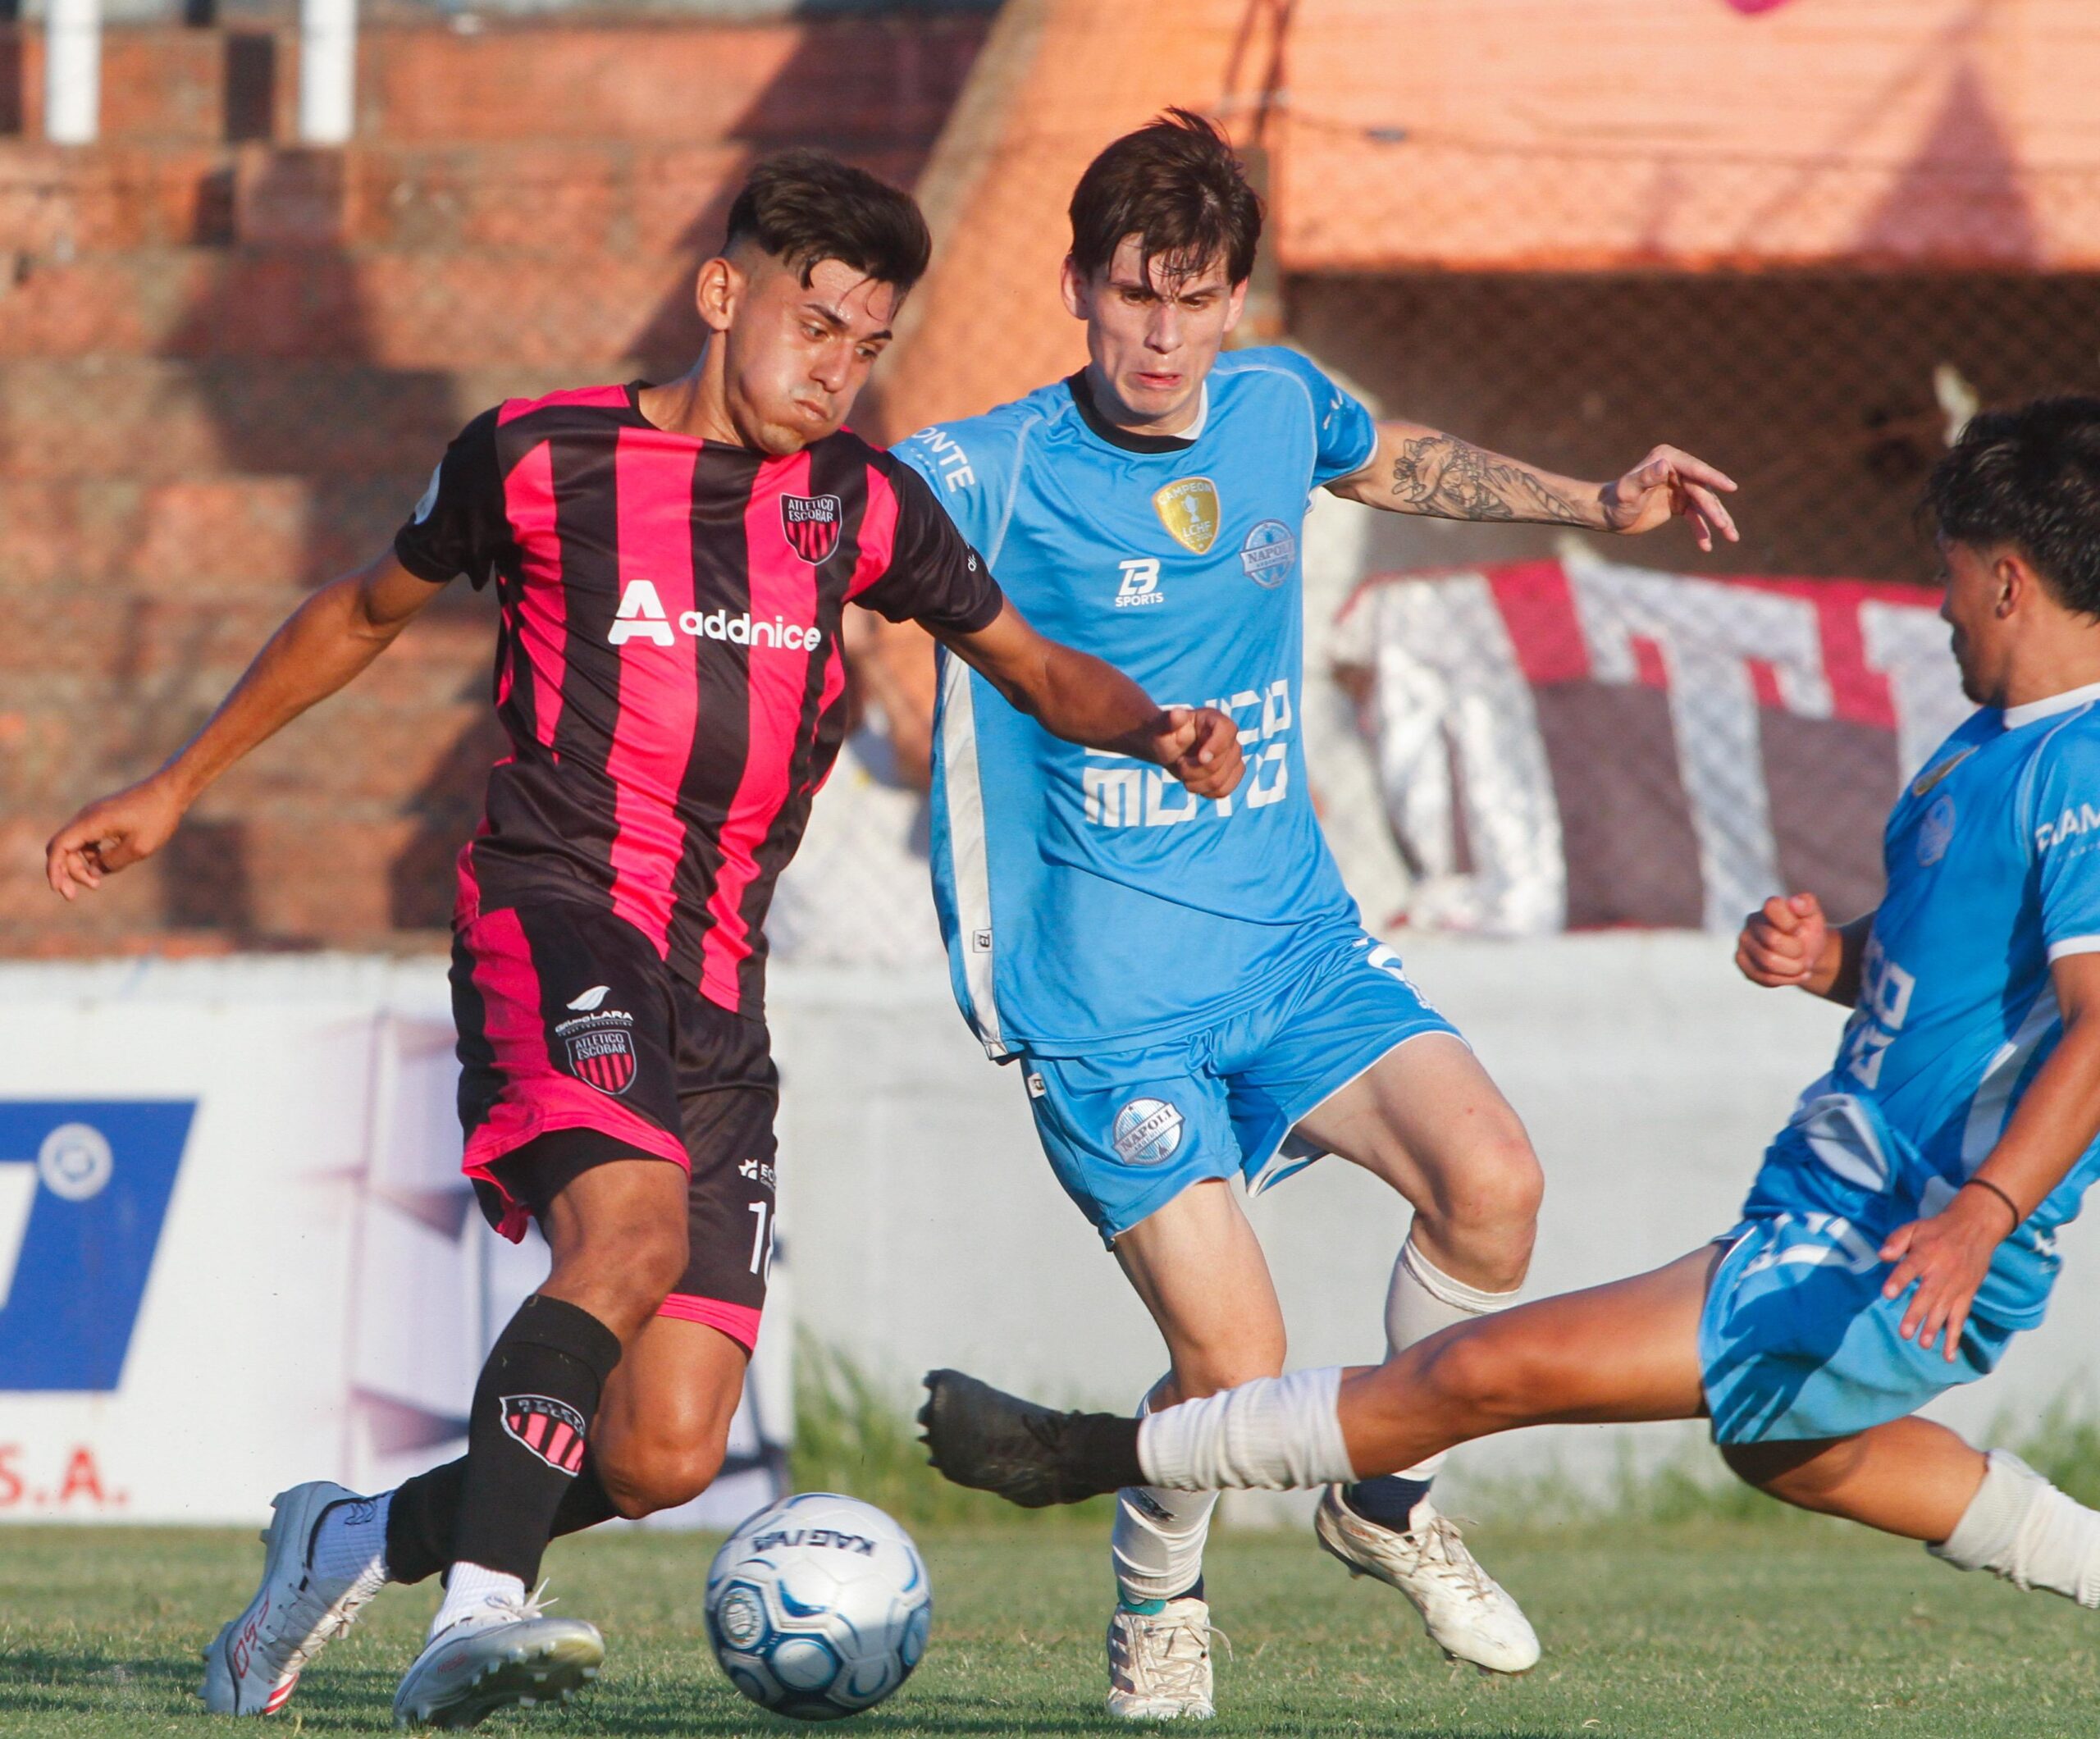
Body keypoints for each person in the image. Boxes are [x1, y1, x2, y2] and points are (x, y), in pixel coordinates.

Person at [44, 151, 1242, 1731]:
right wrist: (177, 783)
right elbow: (360, 612)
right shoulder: (540, 459)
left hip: (719, 985)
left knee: (665, 1451)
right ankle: (480, 1612)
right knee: (627, 1238)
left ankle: (350, 1539)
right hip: (554, 910)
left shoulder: (860, 505)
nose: (838, 367)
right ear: (723, 292)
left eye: (869, 344)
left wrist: (1153, 724)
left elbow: (1027, 662)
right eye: (817, 324)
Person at [918, 396, 2100, 1653]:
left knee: (1488, 1375)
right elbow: (1961, 985)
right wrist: (1829, 962)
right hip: (1839, 1206)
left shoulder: (2080, 766)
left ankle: (1096, 1452)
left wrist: (1982, 1216)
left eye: (1952, 576)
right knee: (1789, 1451)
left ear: (2011, 580)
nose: (1939, 603)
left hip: (1904, 1234)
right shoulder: (1980, 751)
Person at [890, 110, 1738, 1718]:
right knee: (1236, 1373)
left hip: (1286, 945)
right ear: (1074, 285)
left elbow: (1391, 454)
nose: (1161, 333)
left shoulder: (1273, 401)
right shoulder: (982, 470)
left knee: (1490, 1183)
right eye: (1133, 293)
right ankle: (1157, 1607)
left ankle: (1386, 1498)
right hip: (1100, 1000)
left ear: (1232, 302)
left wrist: (1595, 498)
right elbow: (835, 522)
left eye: (1193, 298)